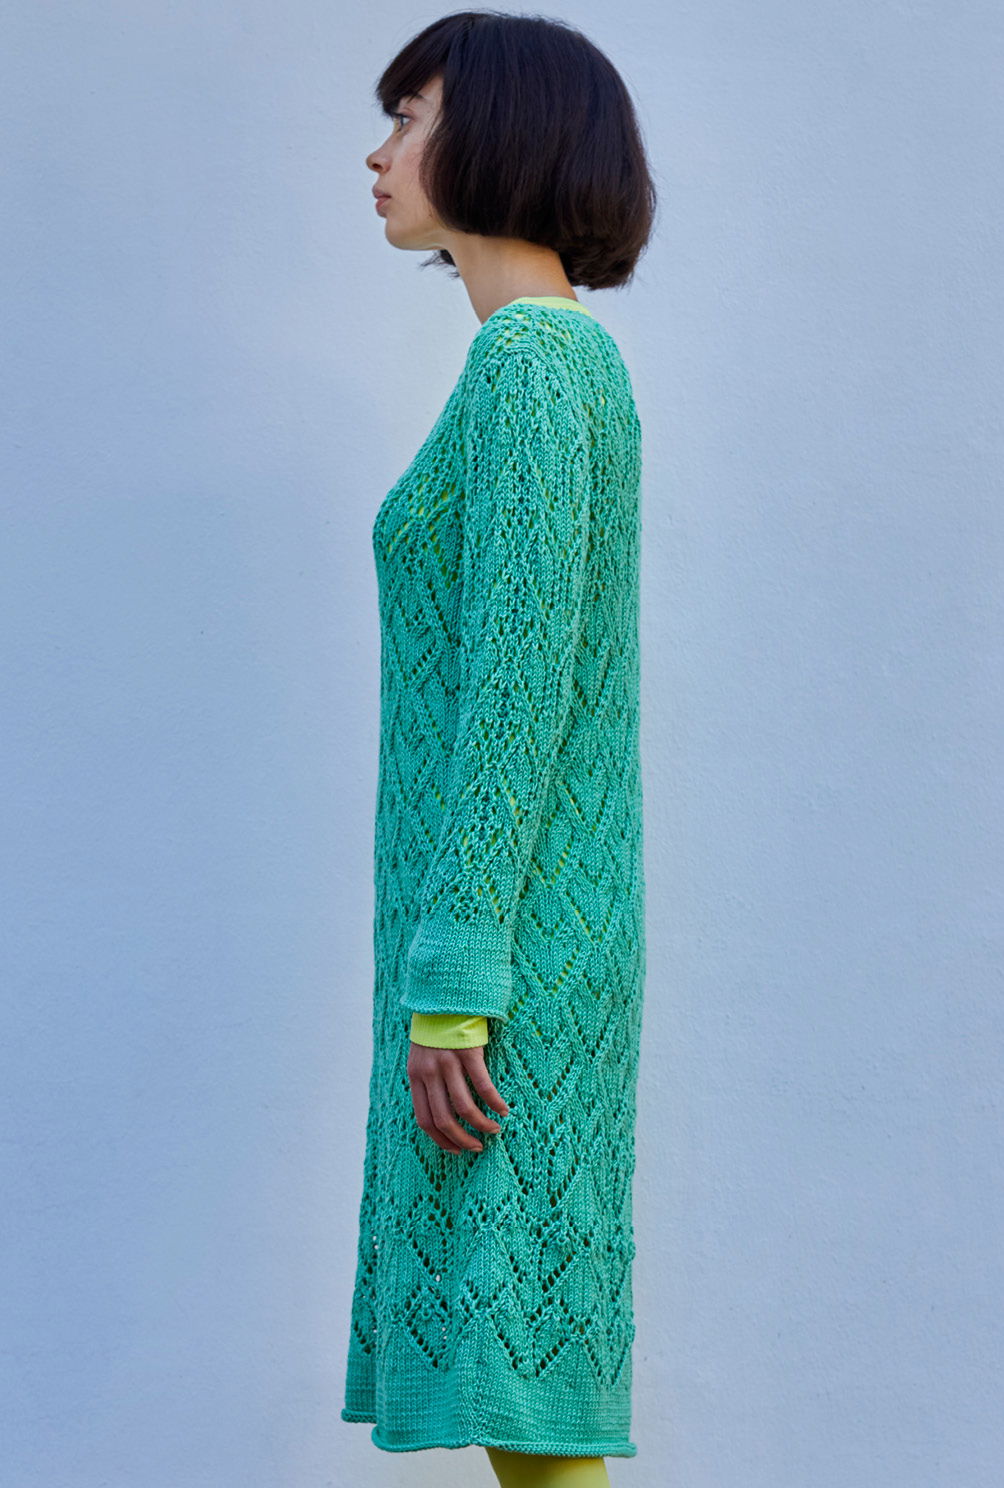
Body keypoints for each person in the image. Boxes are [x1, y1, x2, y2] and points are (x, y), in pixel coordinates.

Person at [342, 12, 656, 1486]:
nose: (379, 152)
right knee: (521, 1405)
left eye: (410, 117)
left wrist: (458, 990)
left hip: (504, 961)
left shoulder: (532, 363)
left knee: (528, 1404)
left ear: (505, 134)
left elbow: (517, 696)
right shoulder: (549, 361)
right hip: (515, 942)